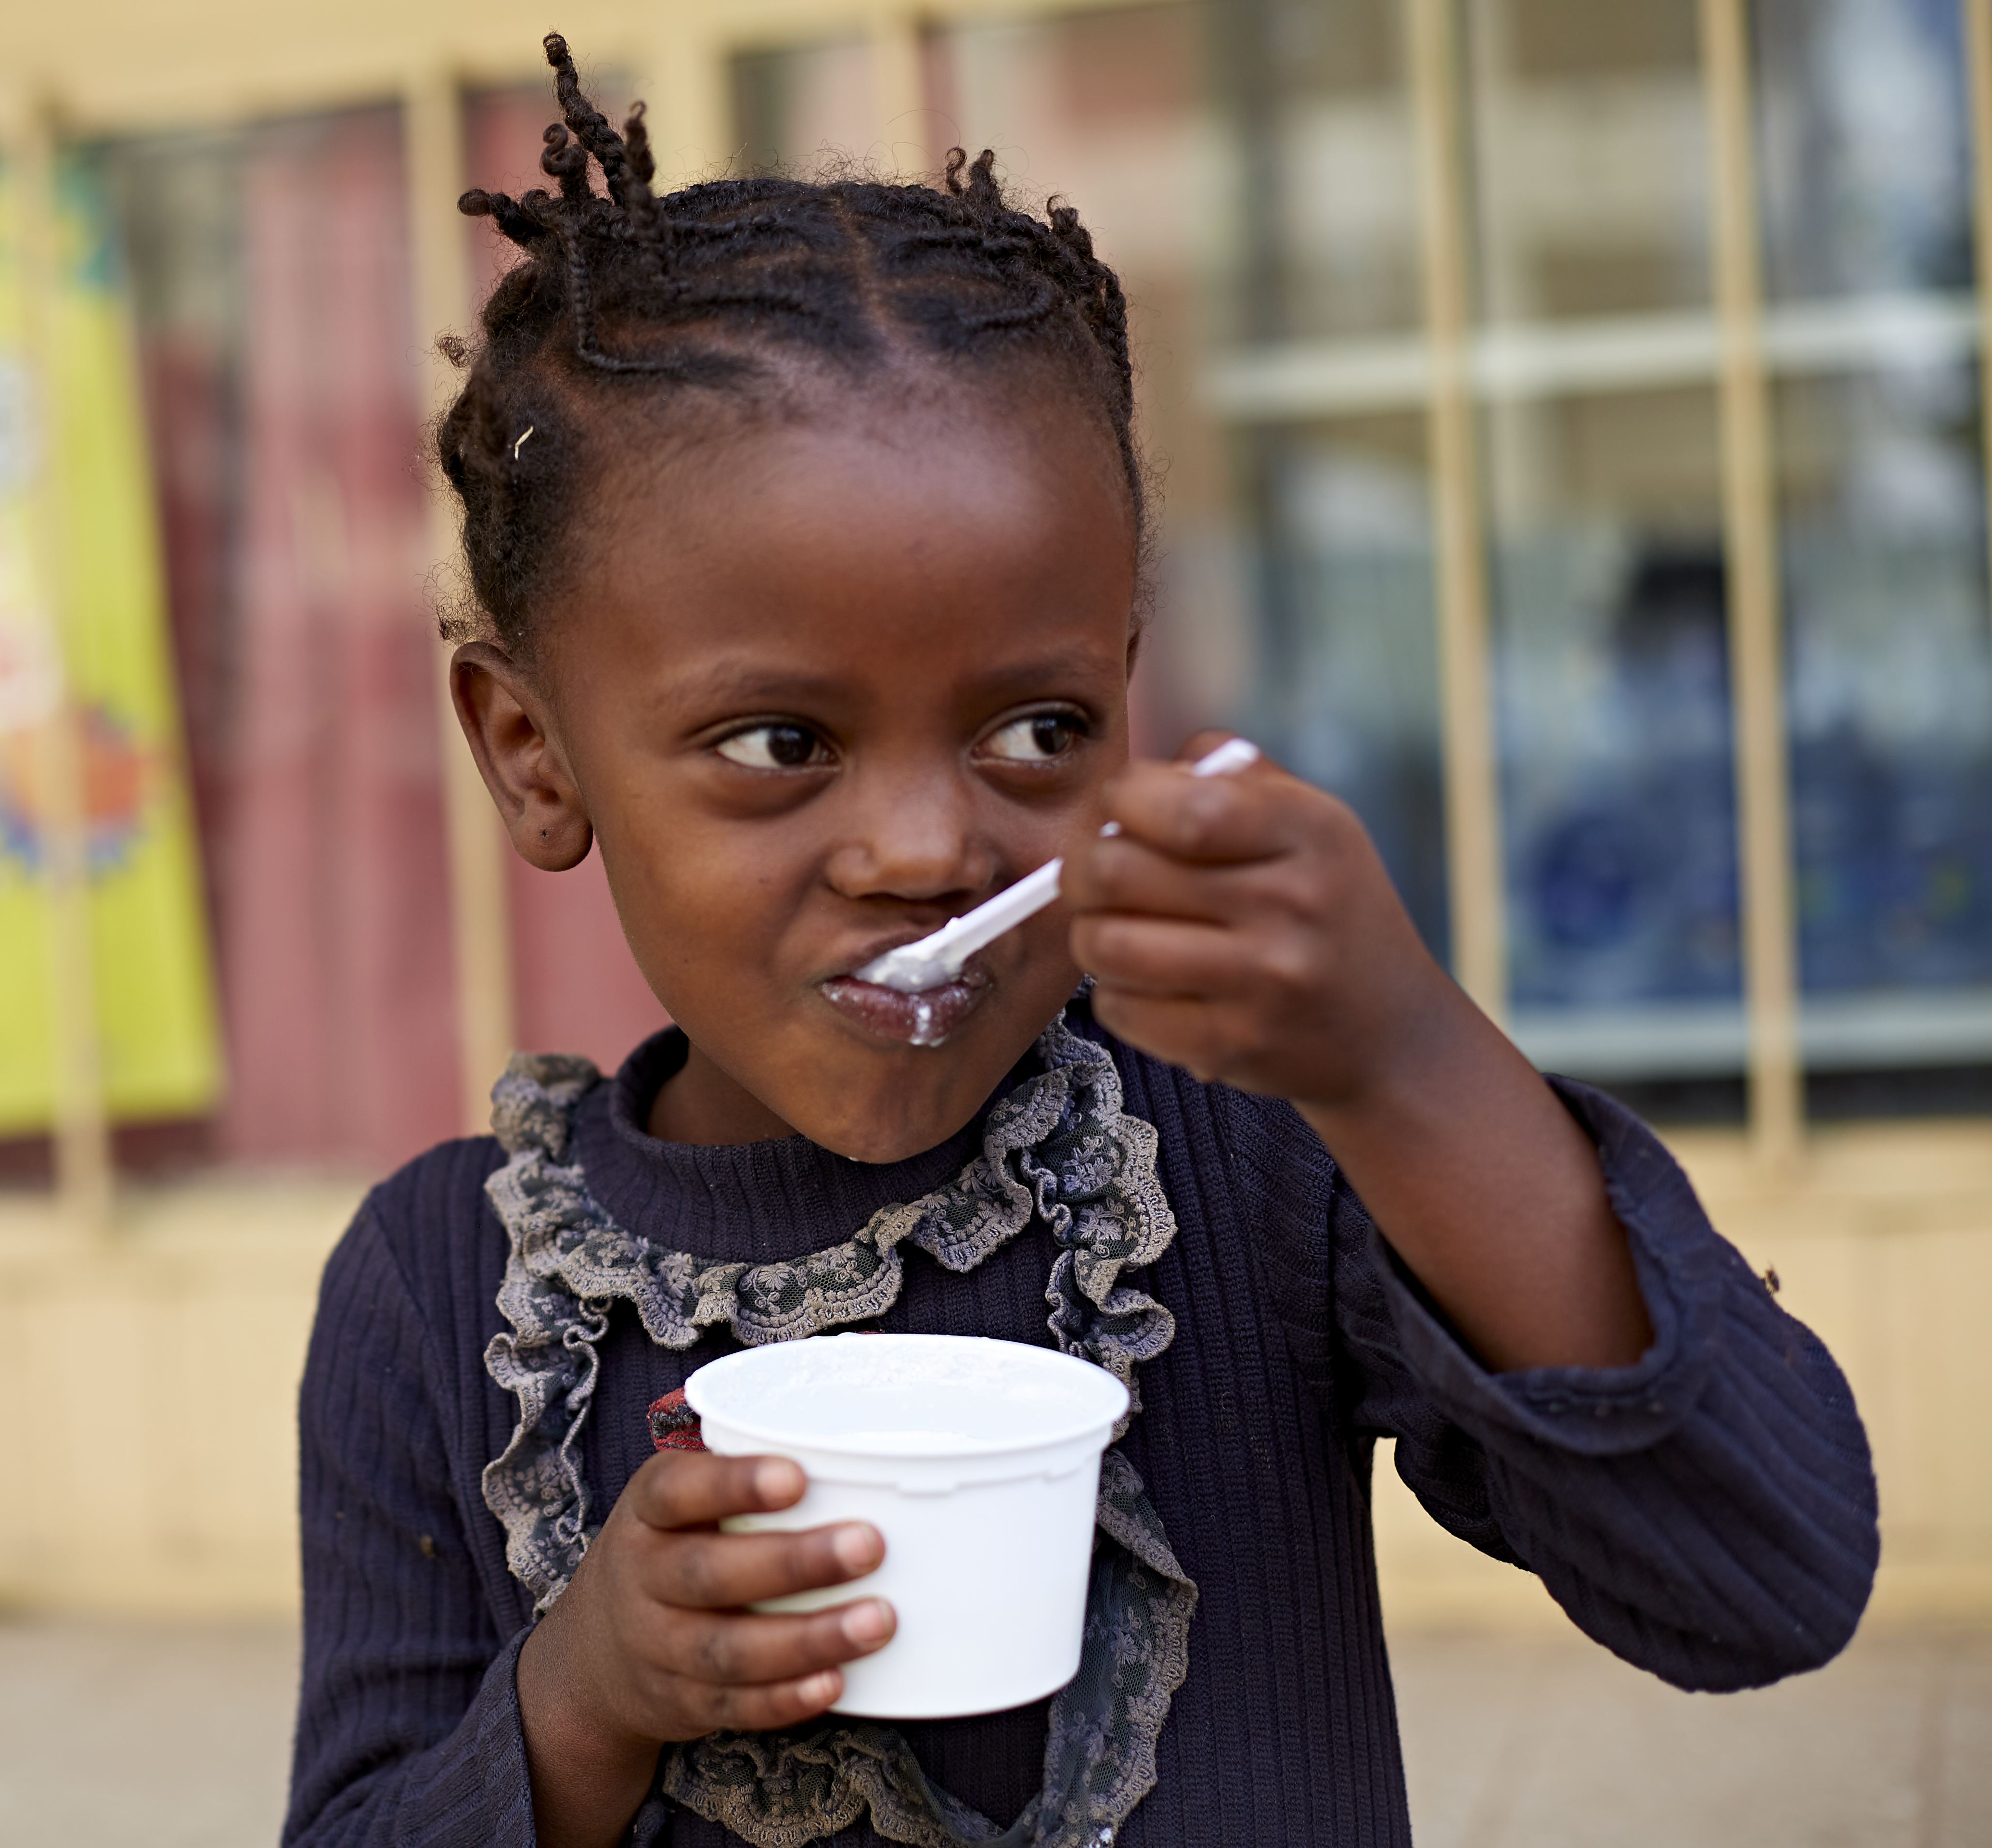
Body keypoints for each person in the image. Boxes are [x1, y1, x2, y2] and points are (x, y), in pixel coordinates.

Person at [282, 37, 1877, 1848]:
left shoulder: (1252, 1160)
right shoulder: (437, 1294)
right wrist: (580, 1703)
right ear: (532, 753)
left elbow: (1768, 1582)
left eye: (1034, 729)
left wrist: (1402, 1057)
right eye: (781, 745)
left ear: (1125, 694)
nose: (927, 846)